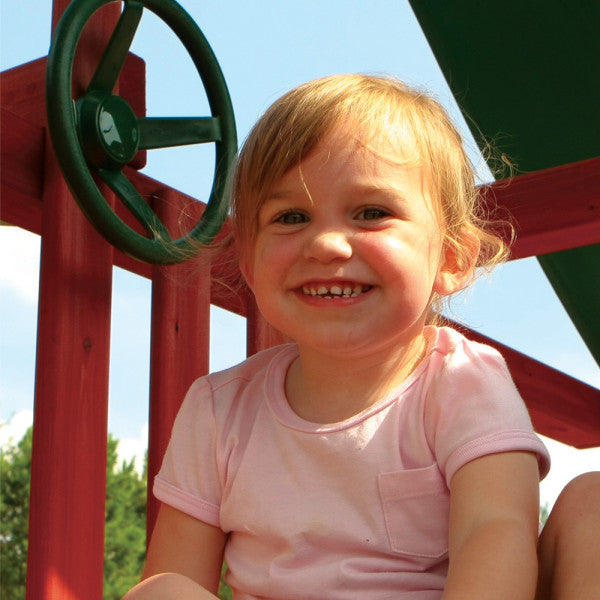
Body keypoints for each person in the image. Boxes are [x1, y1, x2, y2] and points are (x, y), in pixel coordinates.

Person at [123, 74, 600, 600]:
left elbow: (495, 532)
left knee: (594, 502)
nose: (326, 243)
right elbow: (177, 576)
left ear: (451, 257)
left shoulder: (462, 382)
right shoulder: (217, 411)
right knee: (158, 592)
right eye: (291, 217)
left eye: (372, 213)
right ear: (252, 266)